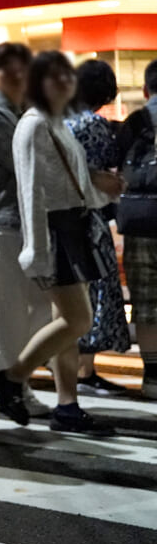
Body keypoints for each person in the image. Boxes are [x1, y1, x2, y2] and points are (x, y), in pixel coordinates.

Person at [0, 51, 114, 436]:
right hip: (53, 233)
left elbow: (70, 185)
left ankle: (66, 404)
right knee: (78, 320)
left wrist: (102, 193)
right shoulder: (34, 125)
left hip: (70, 228)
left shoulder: (53, 122)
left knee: (68, 322)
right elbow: (30, 194)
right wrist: (36, 253)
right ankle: (12, 377)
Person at [0, 43, 51, 415]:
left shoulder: (20, 111)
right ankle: (8, 384)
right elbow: (27, 165)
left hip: (17, 222)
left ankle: (4, 373)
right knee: (6, 308)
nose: (18, 75)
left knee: (32, 308)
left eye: (23, 68)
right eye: (9, 70)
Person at [66, 60, 131, 394]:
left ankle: (76, 369)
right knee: (96, 290)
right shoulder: (92, 124)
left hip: (62, 217)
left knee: (72, 293)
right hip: (88, 219)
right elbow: (109, 167)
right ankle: (84, 369)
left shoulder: (59, 121)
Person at [117, 57, 157, 400]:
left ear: (146, 90)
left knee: (145, 304)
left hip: (141, 224)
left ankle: (153, 376)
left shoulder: (135, 122)